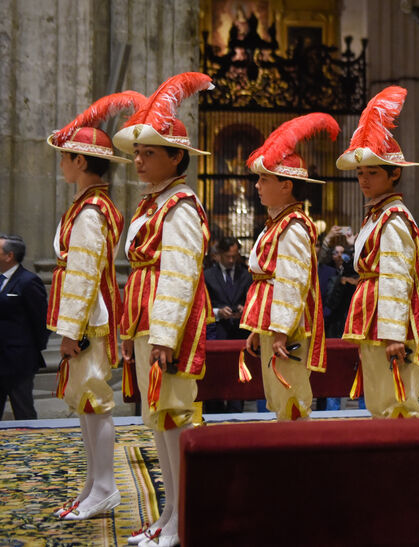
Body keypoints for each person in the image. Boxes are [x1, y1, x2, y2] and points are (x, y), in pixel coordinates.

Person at [113, 72, 214, 547]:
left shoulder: (181, 206)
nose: (138, 159)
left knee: (174, 418)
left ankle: (184, 519)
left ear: (177, 158)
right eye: (137, 152)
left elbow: (179, 273)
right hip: (146, 322)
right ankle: (170, 513)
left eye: (149, 152)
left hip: (166, 326)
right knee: (158, 420)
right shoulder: (152, 203)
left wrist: (164, 337)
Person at [45, 92, 140, 519]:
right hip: (89, 318)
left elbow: (84, 274)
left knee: (95, 401)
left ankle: (105, 487)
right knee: (85, 401)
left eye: (65, 157)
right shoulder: (88, 206)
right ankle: (92, 485)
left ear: (81, 162)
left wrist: (72, 330)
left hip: (91, 320)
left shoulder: (90, 212)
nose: (61, 163)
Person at [337, 86, 419, 419]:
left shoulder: (394, 219)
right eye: (360, 173)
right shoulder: (376, 216)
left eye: (372, 172)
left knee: (397, 404)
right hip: (371, 318)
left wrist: (394, 334)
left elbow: (396, 278)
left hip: (385, 325)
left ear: (395, 173)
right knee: (380, 403)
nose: (363, 179)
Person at [240, 113, 335, 421]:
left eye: (264, 179)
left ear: (286, 186)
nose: (257, 186)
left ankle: (297, 466)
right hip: (275, 325)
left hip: (288, 328)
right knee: (278, 399)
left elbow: (291, 283)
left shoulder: (293, 226)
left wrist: (280, 330)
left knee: (290, 398)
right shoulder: (277, 224)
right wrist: (261, 329)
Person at [0, 234, 49, 420]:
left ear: (9, 255)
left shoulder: (28, 281)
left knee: (23, 410)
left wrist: (29, 350)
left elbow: (41, 321)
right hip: (0, 358)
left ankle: (31, 446)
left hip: (19, 361)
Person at [205, 237, 252, 341]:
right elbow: (203, 307)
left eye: (234, 257)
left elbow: (252, 302)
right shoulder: (208, 276)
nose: (231, 260)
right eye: (228, 257)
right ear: (220, 254)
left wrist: (245, 310)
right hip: (217, 332)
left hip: (241, 334)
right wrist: (218, 312)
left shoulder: (246, 275)